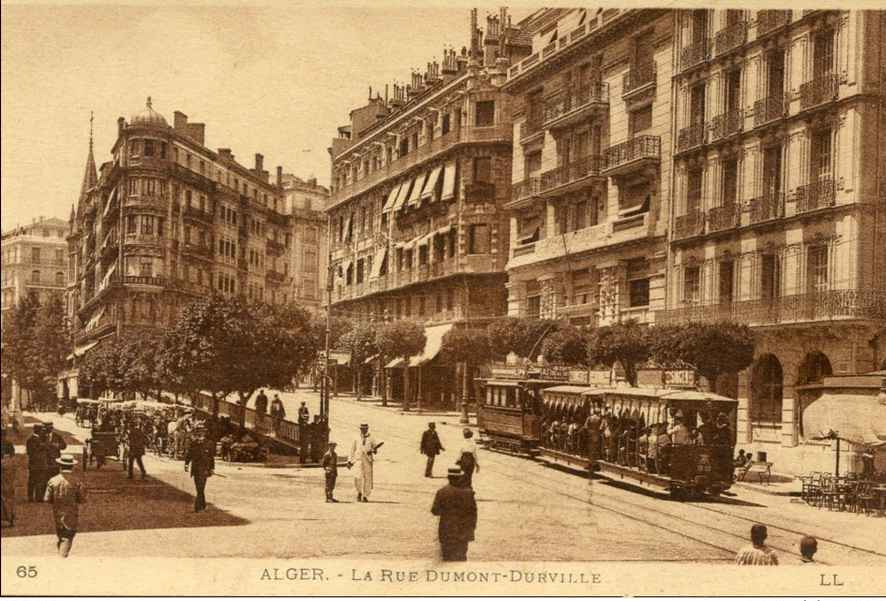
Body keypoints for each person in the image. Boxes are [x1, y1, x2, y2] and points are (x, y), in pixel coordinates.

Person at [431, 466, 478, 561]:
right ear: (460, 477)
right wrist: (471, 529)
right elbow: (473, 513)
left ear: (448, 478)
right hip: (463, 532)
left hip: (447, 531)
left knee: (447, 559)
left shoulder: (442, 492)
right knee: (461, 558)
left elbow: (435, 511)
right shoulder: (468, 493)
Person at [44, 454, 86, 558]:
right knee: (68, 536)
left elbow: (47, 499)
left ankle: (61, 554)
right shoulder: (77, 481)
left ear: (60, 466)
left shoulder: (53, 480)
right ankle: (62, 558)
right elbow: (82, 499)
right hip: (71, 512)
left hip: (57, 512)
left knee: (61, 535)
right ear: (72, 466)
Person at [184, 425, 215, 512]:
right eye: (199, 433)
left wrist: (212, 468)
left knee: (201, 487)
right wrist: (186, 464)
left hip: (205, 469)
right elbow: (189, 454)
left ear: (205, 434)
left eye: (202, 433)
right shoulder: (194, 444)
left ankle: (197, 506)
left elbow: (211, 457)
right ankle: (203, 504)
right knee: (198, 487)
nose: (201, 435)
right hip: (195, 469)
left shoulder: (209, 443)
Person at [348, 423, 379, 502]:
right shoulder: (356, 437)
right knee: (357, 477)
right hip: (358, 460)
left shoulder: (371, 438)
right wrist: (350, 461)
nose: (363, 430)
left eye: (365, 429)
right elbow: (352, 450)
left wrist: (373, 450)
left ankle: (365, 495)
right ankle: (359, 492)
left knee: (367, 478)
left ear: (367, 429)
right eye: (362, 428)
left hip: (367, 460)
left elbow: (375, 449)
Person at [26, 424, 49, 502]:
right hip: (40, 464)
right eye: (42, 430)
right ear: (39, 431)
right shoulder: (39, 441)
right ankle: (38, 497)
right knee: (40, 480)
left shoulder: (29, 440)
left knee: (32, 480)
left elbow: (29, 452)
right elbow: (43, 448)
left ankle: (30, 497)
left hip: (32, 464)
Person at [1, 427, 16, 527]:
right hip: (7, 469)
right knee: (8, 495)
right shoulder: (8, 444)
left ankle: (9, 517)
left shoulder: (8, 444)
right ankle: (9, 517)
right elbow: (12, 455)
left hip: (6, 469)